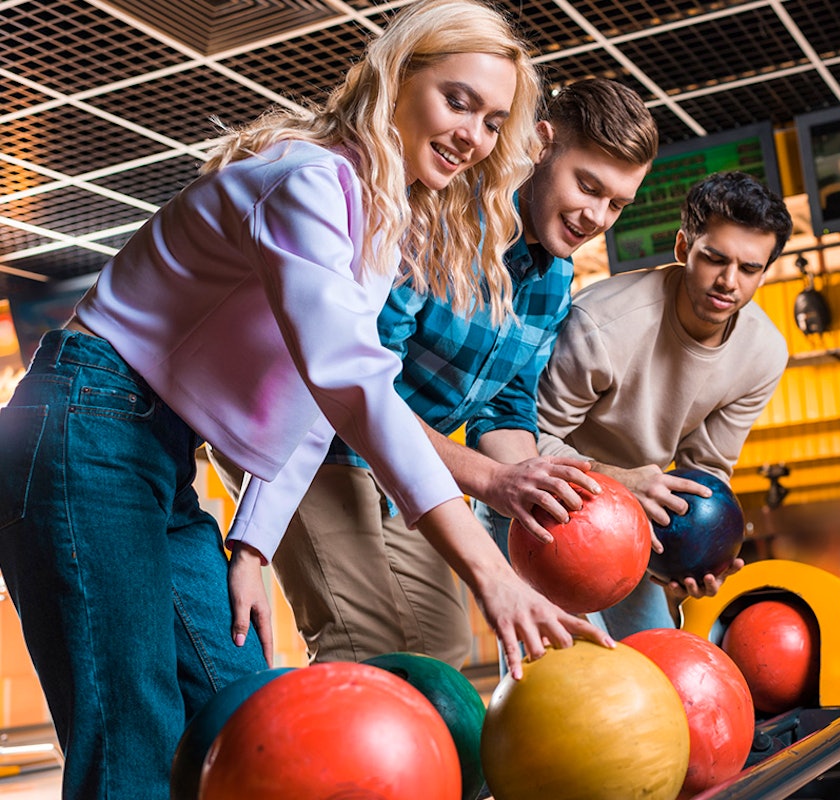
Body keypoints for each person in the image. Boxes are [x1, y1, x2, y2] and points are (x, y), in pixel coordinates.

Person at [0, 3, 608, 797]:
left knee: (240, 711)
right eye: (458, 101)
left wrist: (252, 547)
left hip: (155, 454)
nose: (474, 136)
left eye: (493, 122)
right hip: (85, 423)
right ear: (397, 79)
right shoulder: (309, 182)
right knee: (134, 740)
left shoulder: (376, 222)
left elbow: (311, 402)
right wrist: (490, 573)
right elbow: (351, 384)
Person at [209, 78, 658, 666]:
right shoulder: (434, 222)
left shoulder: (555, 278)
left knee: (441, 649)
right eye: (588, 186)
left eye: (617, 204)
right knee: (366, 644)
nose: (596, 216)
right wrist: (493, 481)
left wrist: (533, 480)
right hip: (310, 435)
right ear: (542, 144)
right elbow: (353, 390)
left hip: (406, 459)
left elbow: (505, 407)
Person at [482, 170, 794, 638]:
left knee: (652, 653)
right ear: (683, 248)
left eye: (749, 269)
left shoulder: (764, 353)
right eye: (714, 259)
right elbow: (524, 444)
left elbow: (705, 471)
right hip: (533, 499)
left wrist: (698, 550)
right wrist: (622, 483)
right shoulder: (603, 324)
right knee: (552, 657)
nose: (729, 282)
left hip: (636, 508)